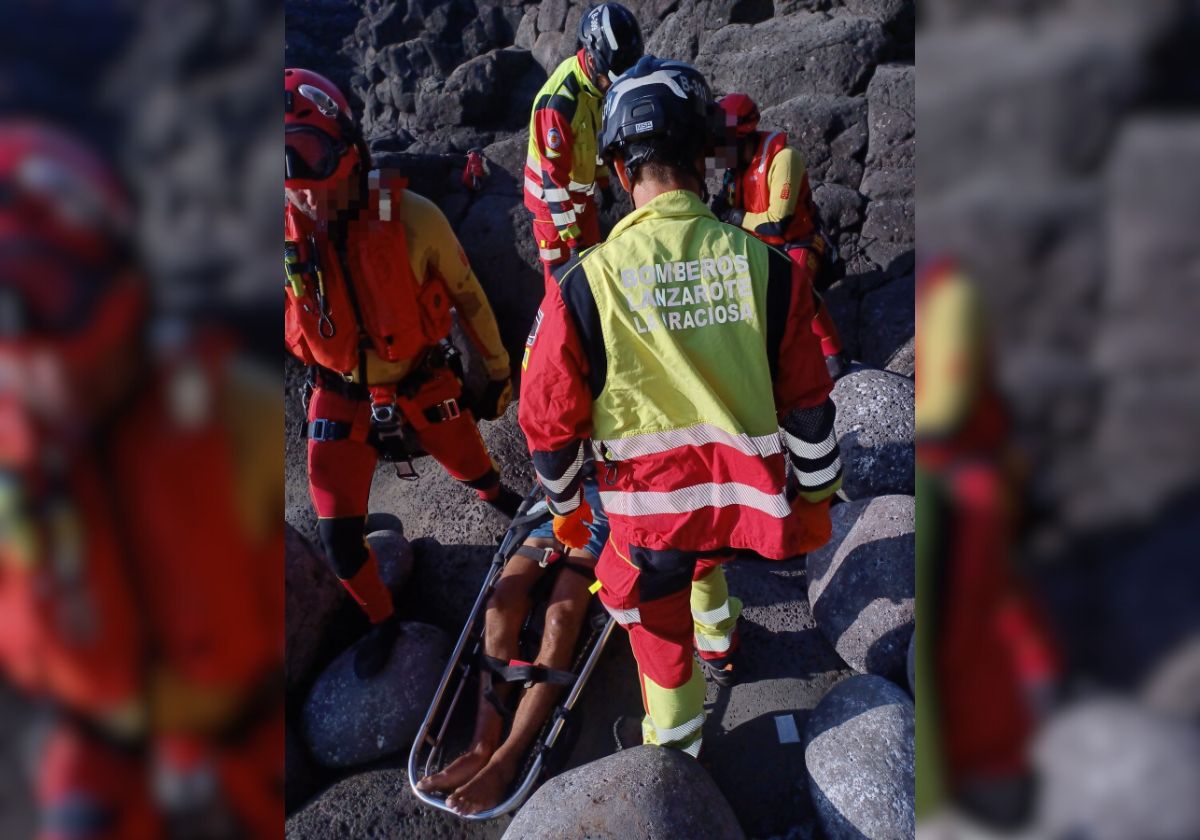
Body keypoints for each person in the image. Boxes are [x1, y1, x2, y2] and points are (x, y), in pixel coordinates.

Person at [518, 57, 843, 758]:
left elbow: (548, 424)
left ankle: (675, 754)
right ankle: (723, 647)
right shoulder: (769, 267)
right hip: (744, 512)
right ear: (702, 156)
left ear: (615, 169)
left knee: (661, 647)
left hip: (650, 526)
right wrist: (818, 492)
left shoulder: (583, 286)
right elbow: (810, 406)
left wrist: (568, 510)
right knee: (709, 565)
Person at [0, 121, 284, 839]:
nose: (33, 355)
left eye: (49, 289)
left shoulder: (234, 415)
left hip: (242, 733)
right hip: (100, 748)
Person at [284, 68, 518, 678]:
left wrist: (494, 371)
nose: (303, 190)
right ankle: (385, 622)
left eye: (310, 159)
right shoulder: (286, 236)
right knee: (339, 542)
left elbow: (468, 294)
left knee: (479, 471)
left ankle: (502, 500)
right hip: (338, 396)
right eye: (285, 174)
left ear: (347, 148)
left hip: (420, 379)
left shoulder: (410, 216)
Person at [416, 473, 610, 815]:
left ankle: (506, 760)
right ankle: (481, 745)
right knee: (501, 601)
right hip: (558, 506)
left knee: (560, 617)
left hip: (607, 510)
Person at [713, 93, 851, 379]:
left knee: (795, 288)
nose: (720, 152)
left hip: (797, 241)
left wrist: (733, 216)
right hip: (758, 246)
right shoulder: (733, 172)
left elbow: (777, 223)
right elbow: (724, 211)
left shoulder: (784, 159)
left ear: (743, 137)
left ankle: (834, 352)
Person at [523, 2, 643, 286]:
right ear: (591, 59)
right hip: (550, 206)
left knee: (592, 269)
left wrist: (604, 186)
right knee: (560, 281)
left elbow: (592, 144)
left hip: (581, 196)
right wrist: (571, 239)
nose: (613, 88)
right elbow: (553, 182)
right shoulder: (559, 105)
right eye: (609, 81)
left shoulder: (597, 86)